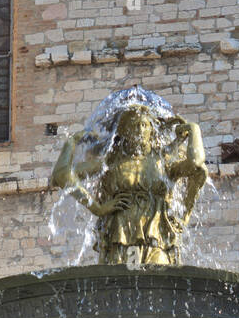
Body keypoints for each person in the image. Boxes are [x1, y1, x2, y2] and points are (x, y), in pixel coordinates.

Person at [50, 98, 207, 267]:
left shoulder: (163, 161)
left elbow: (196, 164)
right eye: (134, 125)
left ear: (151, 131)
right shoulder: (110, 163)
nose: (139, 130)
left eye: (144, 125)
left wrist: (193, 130)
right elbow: (61, 175)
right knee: (121, 283)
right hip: (119, 235)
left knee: (157, 280)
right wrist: (72, 143)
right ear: (124, 132)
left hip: (156, 234)